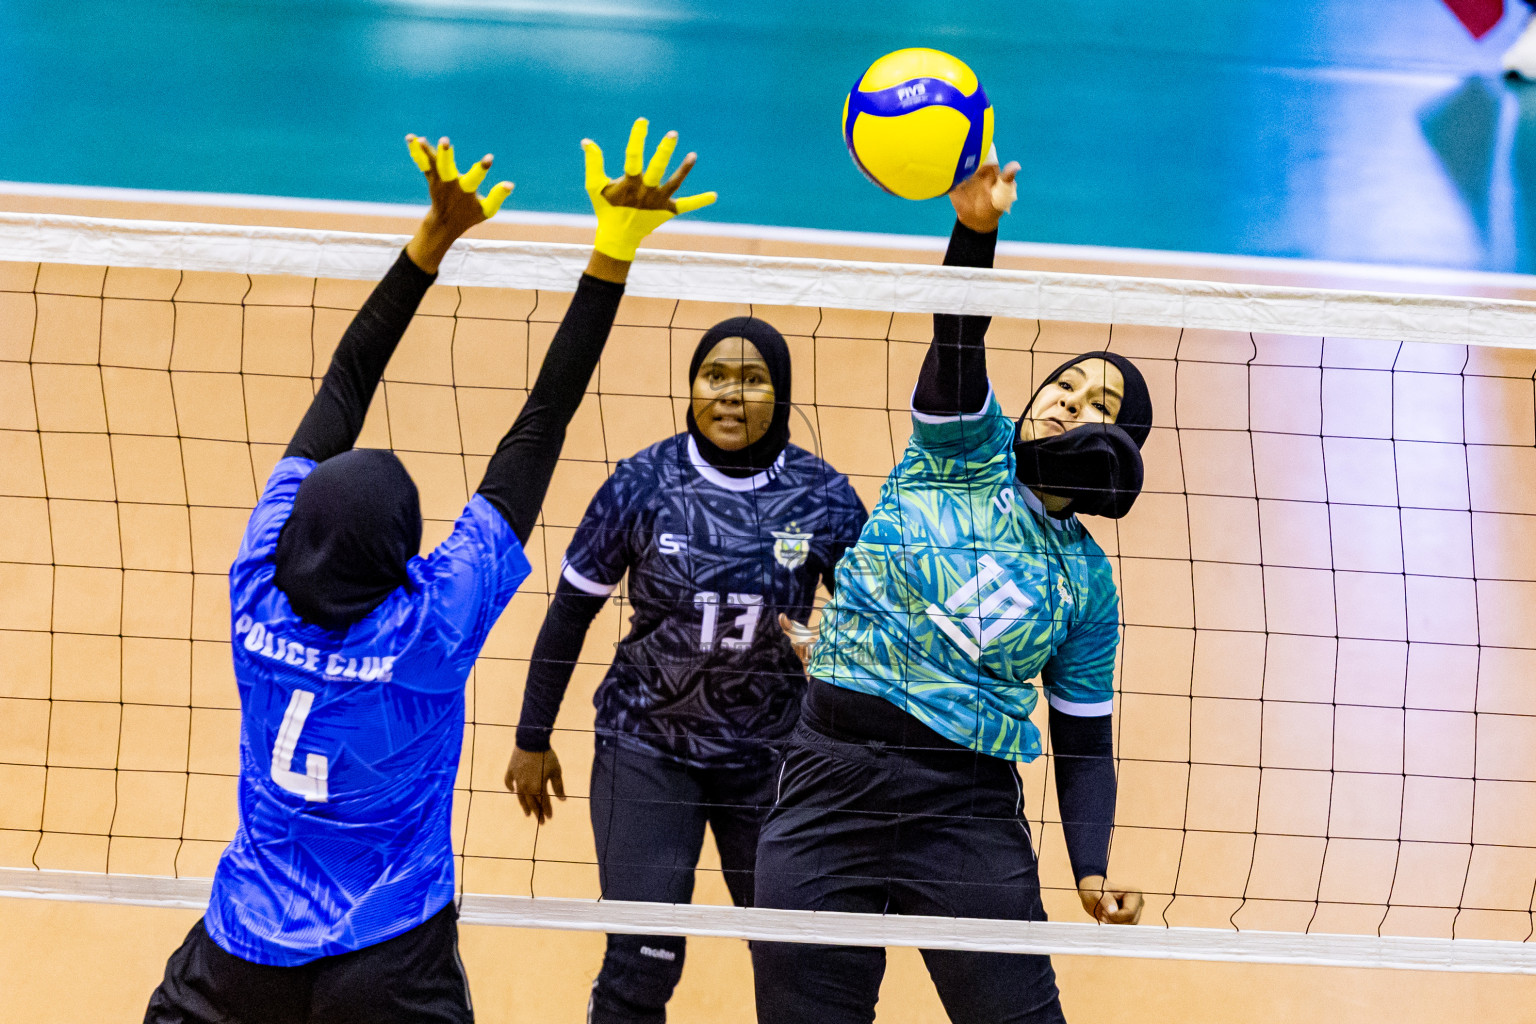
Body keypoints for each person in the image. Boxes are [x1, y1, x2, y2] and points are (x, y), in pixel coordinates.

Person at [144, 119, 716, 1024]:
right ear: (407, 556)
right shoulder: (429, 628)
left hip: (238, 955)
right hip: (389, 958)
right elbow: (540, 425)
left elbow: (340, 388)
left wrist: (428, 242)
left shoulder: (256, 581)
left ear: (297, 529)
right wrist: (611, 251)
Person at [751, 152, 1150, 1024]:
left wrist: (1091, 864)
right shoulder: (966, 451)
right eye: (1065, 384)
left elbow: (1084, 742)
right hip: (829, 778)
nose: (1067, 403)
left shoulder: (1086, 582)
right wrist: (976, 231)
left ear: (1120, 452)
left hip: (962, 810)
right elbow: (957, 336)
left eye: (1096, 407)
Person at [505, 303, 868, 1021]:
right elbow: (570, 611)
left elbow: (878, 632)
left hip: (769, 755)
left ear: (782, 392)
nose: (731, 394)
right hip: (647, 743)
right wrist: (531, 734)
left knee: (795, 955)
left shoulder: (822, 498)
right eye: (714, 375)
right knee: (643, 958)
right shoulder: (644, 483)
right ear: (692, 386)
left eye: (753, 380)